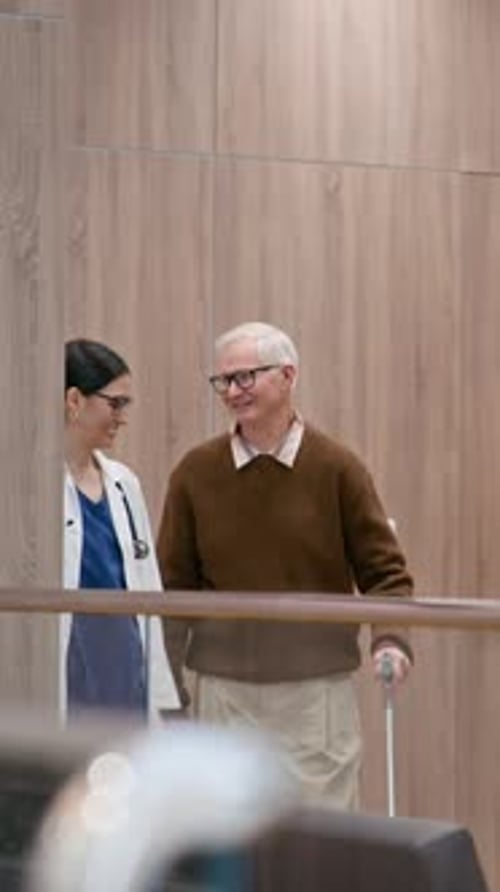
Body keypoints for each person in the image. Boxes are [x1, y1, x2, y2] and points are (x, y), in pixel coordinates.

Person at [157, 321, 413, 808]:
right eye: (224, 381)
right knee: (226, 843)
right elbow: (172, 589)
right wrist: (166, 691)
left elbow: (385, 573)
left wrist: (391, 641)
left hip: (314, 695)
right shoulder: (194, 473)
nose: (233, 391)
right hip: (224, 693)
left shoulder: (338, 468)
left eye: (246, 377)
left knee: (321, 842)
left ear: (288, 375)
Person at [64, 338, 177, 718]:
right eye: (115, 403)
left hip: (124, 665)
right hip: (69, 662)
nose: (122, 416)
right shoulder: (34, 489)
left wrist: (161, 692)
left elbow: (148, 587)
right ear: (74, 400)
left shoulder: (123, 483)